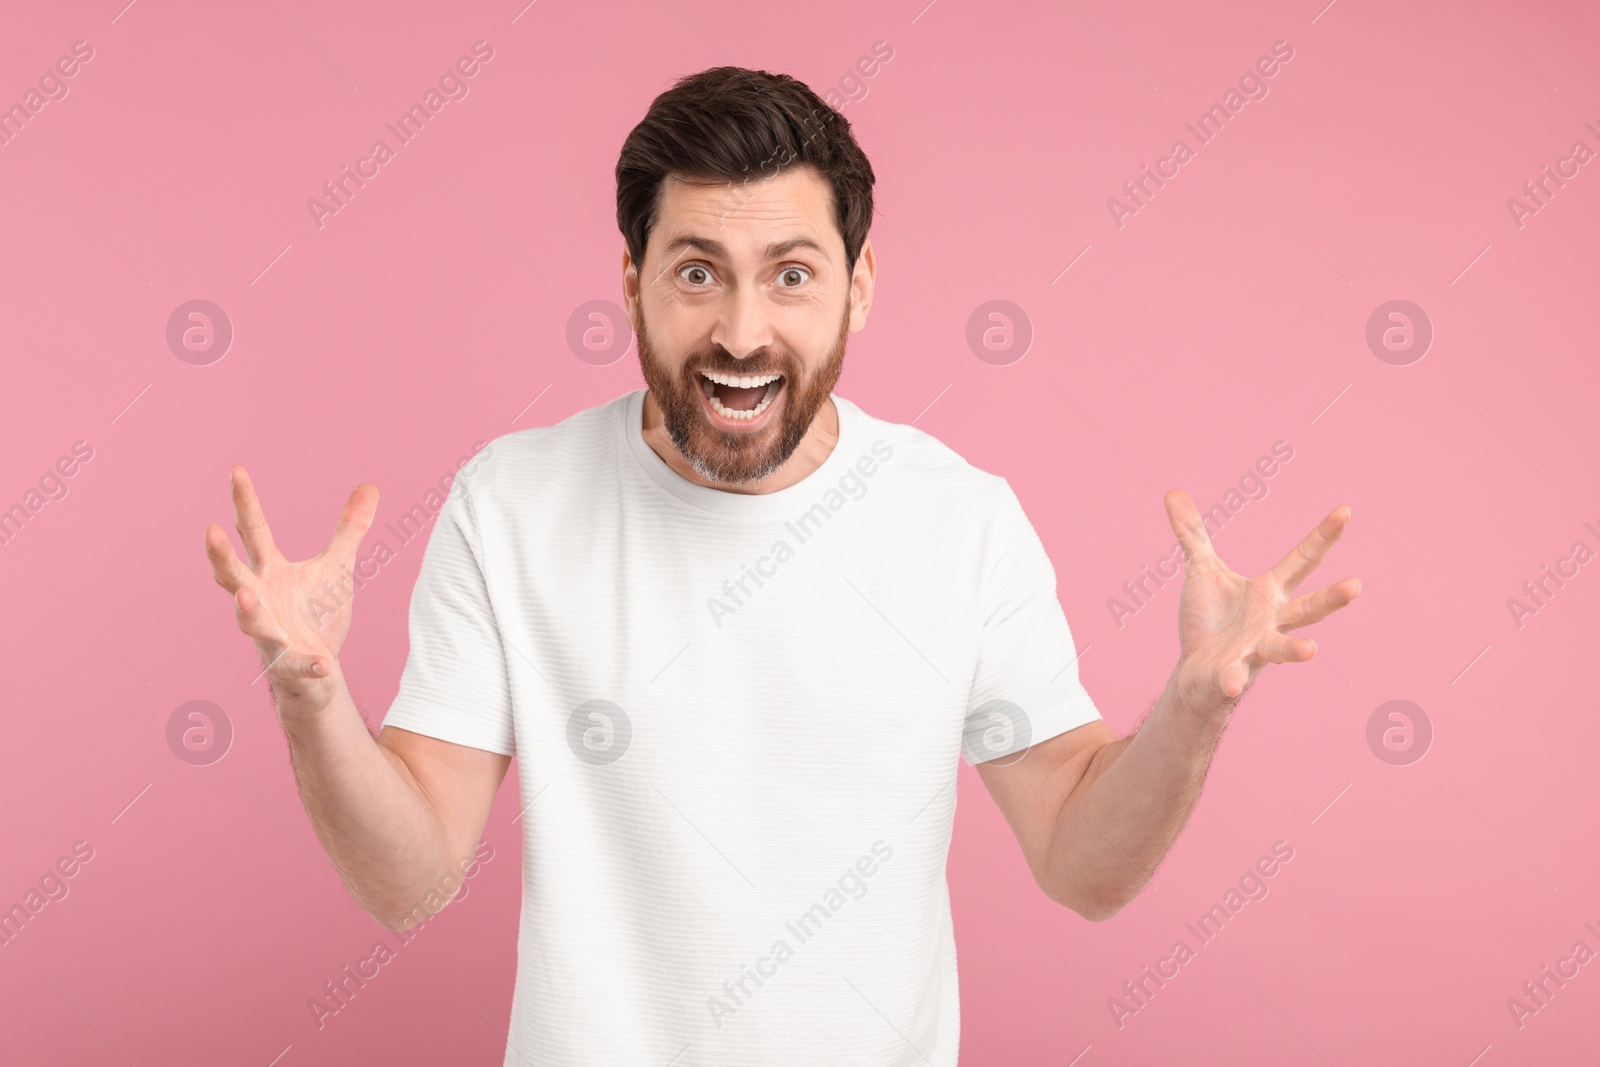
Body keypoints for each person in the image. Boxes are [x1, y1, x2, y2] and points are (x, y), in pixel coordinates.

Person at [203, 66, 1360, 1066]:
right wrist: (310, 701)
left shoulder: (958, 522)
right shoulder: (510, 504)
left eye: (792, 274)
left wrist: (1194, 708)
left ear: (858, 286)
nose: (744, 331)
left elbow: (1080, 858)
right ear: (632, 282)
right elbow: (410, 879)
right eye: (698, 270)